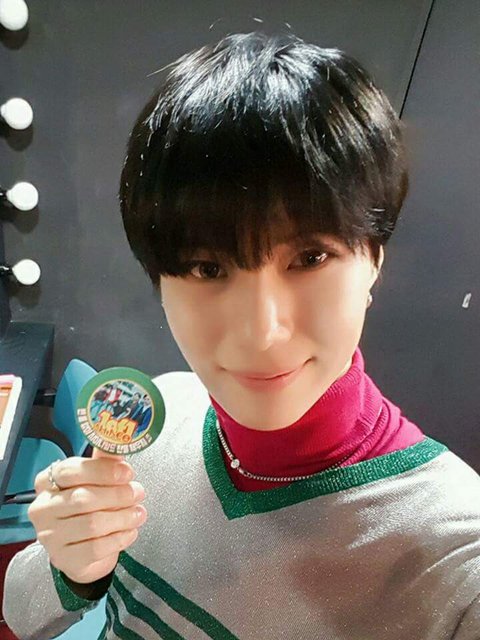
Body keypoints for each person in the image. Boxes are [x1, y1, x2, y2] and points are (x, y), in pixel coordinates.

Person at [3, 31, 480, 640]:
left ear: (374, 262)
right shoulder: (154, 419)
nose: (261, 333)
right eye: (208, 268)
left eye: (309, 258)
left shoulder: (455, 561)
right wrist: (73, 567)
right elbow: (22, 613)